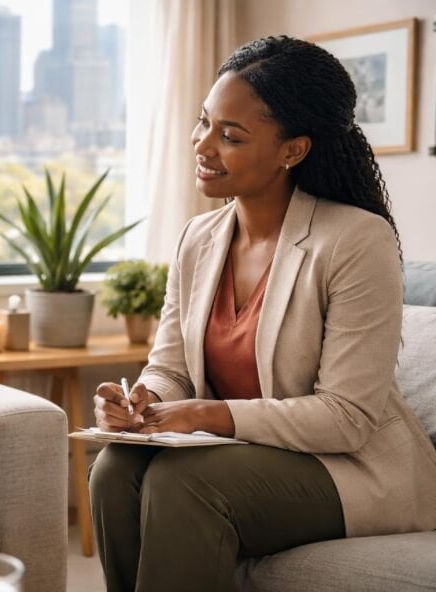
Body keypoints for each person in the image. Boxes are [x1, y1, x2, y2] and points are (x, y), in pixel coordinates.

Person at [89, 36, 436, 592]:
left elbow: (346, 416)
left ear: (292, 150)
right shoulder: (197, 238)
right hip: (244, 454)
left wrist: (206, 415)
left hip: (349, 468)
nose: (203, 147)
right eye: (203, 124)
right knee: (114, 471)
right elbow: (170, 367)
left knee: (186, 483)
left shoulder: (354, 240)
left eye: (230, 136)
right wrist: (143, 401)